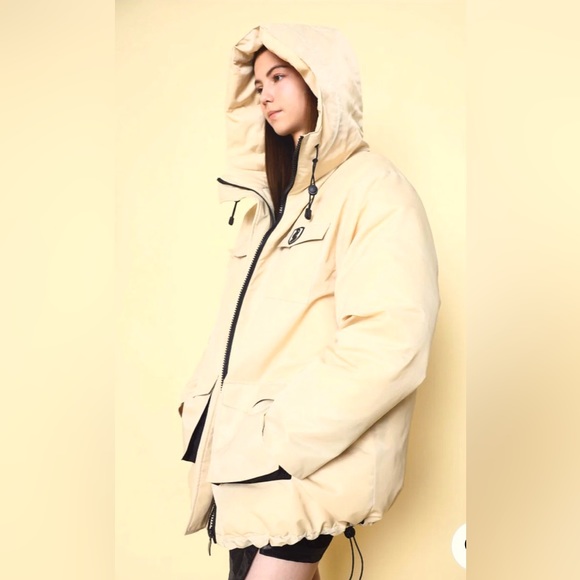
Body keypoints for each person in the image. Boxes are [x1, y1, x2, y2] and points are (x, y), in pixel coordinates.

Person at [179, 23, 440, 580]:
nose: (265, 94)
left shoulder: (375, 190)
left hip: (301, 460)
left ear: (321, 81)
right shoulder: (272, 205)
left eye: (279, 77)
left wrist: (282, 435)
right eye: (258, 84)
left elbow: (390, 337)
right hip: (248, 459)